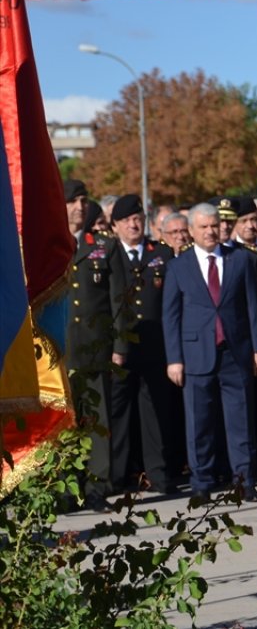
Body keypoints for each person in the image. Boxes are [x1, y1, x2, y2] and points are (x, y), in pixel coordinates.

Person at [162, 202, 257, 501]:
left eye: (214, 226)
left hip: (236, 354)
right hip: (196, 356)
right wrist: (174, 359)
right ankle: (202, 483)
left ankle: (245, 482)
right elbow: (171, 316)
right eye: (204, 227)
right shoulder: (178, 266)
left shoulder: (241, 260)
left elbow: (254, 309)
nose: (210, 231)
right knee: (199, 424)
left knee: (241, 421)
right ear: (192, 231)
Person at [108, 194, 184, 495]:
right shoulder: (110, 254)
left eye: (137, 218)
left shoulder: (161, 253)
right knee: (120, 416)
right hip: (121, 348)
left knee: (156, 413)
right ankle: (118, 476)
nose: (133, 224)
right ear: (115, 226)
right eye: (126, 220)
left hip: (155, 345)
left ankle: (159, 475)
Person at [65, 179, 117, 509]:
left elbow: (116, 301)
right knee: (65, 425)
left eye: (84, 200)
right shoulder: (46, 246)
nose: (81, 206)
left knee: (98, 422)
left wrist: (118, 348)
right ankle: (66, 491)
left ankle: (98, 488)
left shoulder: (102, 246)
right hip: (59, 350)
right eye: (73, 201)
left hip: (95, 348)